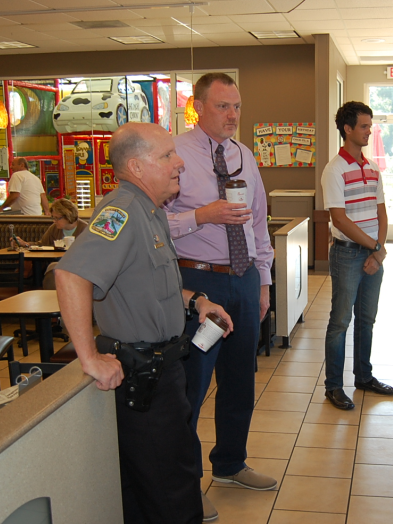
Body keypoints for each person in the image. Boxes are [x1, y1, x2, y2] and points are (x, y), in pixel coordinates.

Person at [55, 122, 233, 524]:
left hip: (164, 367)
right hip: (143, 375)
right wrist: (89, 356)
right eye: (167, 155)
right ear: (136, 167)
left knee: (147, 489)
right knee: (172, 490)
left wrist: (197, 302)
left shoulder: (150, 211)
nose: (179, 162)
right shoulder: (121, 211)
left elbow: (149, 285)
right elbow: (71, 276)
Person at [163, 72, 276, 521]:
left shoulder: (244, 156)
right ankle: (187, 484)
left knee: (239, 380)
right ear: (198, 106)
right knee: (193, 384)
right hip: (198, 282)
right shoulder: (174, 155)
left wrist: (264, 282)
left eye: (237, 107)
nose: (232, 115)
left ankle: (230, 463)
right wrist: (200, 215)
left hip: (244, 279)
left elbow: (259, 223)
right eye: (223, 106)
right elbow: (155, 228)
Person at [321, 101, 393, 411]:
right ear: (347, 129)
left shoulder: (373, 168)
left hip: (371, 256)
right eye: (364, 126)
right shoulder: (334, 170)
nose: (369, 131)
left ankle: (364, 376)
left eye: (370, 125)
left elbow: (381, 213)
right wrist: (376, 249)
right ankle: (333, 387)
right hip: (347, 255)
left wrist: (377, 252)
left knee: (367, 319)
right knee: (340, 321)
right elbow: (339, 220)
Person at [12, 198, 88, 289]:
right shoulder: (54, 229)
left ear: (68, 216)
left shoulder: (85, 229)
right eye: (53, 218)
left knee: (55, 270)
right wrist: (25, 244)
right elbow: (42, 244)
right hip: (57, 267)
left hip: (78, 268)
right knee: (53, 270)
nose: (54, 221)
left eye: (57, 218)